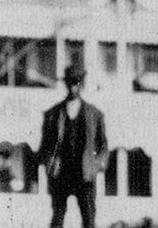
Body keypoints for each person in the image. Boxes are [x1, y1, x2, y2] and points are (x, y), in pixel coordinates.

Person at [38, 64, 109, 228]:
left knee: (89, 220)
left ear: (82, 85)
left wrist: (95, 166)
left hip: (85, 175)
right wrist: (51, 164)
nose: (72, 87)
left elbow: (103, 147)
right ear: (65, 84)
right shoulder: (53, 114)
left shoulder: (95, 115)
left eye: (76, 83)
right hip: (61, 175)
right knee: (57, 219)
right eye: (70, 83)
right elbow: (45, 148)